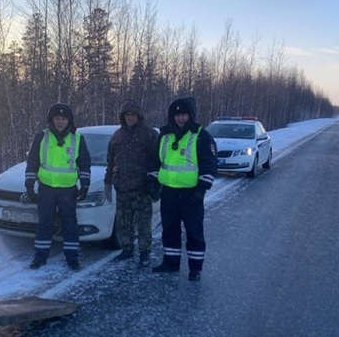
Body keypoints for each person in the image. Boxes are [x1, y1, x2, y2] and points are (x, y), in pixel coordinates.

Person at [148, 97, 217, 281]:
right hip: (169, 193)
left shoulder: (201, 135)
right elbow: (155, 161)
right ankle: (171, 263)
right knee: (169, 230)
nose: (180, 118)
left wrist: (202, 189)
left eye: (184, 115)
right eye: (177, 115)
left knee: (194, 231)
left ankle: (195, 268)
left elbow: (209, 164)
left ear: (190, 115)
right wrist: (152, 182)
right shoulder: (164, 135)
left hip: (191, 194)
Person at [23, 103, 91, 270]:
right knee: (44, 223)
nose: (60, 122)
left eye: (63, 119)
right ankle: (40, 257)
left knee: (70, 223)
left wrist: (85, 185)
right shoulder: (42, 137)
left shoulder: (77, 139)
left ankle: (72, 258)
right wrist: (29, 185)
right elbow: (32, 162)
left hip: (68, 189)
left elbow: (84, 163)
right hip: (46, 188)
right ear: (51, 120)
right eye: (57, 118)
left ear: (69, 121)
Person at [104, 101, 159, 266]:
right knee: (123, 222)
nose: (130, 118)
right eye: (127, 115)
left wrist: (155, 184)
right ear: (123, 117)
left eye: (132, 115)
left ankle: (144, 253)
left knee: (143, 224)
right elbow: (110, 160)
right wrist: (108, 182)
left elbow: (157, 161)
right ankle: (127, 249)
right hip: (122, 187)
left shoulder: (149, 135)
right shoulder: (117, 136)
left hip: (142, 188)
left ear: (138, 116)